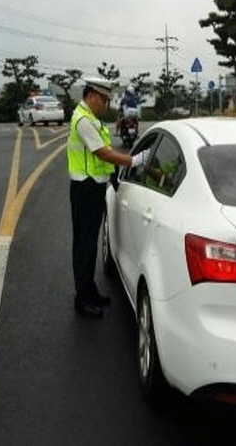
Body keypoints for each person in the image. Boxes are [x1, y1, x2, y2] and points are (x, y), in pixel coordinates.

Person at [67, 77, 148, 319]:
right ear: (91, 95)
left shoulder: (91, 118)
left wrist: (114, 180)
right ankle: (82, 299)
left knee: (90, 243)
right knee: (84, 245)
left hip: (94, 187)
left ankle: (89, 290)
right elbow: (102, 153)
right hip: (85, 189)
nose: (106, 103)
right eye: (104, 99)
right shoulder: (83, 120)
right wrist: (134, 161)